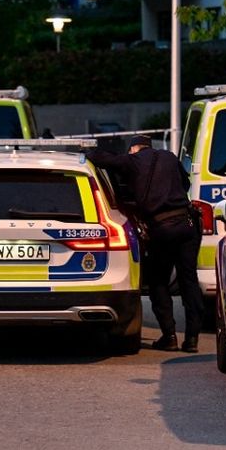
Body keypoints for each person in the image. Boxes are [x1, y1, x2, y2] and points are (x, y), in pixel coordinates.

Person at [86, 134, 204, 352]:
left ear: (133, 149)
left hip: (161, 229)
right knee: (189, 281)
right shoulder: (169, 157)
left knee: (158, 280)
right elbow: (185, 183)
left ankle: (169, 337)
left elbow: (100, 158)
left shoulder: (132, 160)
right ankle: (192, 339)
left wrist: (86, 150)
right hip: (187, 225)